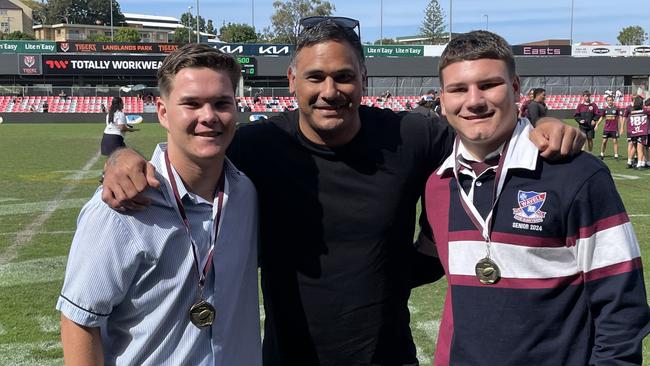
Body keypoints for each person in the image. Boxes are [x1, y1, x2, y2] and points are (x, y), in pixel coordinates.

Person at [100, 18, 583, 366]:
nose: (330, 90)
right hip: (288, 355)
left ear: (363, 80)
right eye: (315, 76)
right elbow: (188, 154)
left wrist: (540, 121)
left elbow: (481, 131)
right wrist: (120, 157)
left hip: (387, 353)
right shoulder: (257, 145)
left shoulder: (411, 136)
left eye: (344, 76)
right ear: (293, 81)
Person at [424, 30, 649, 366]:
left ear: (515, 89)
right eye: (458, 89)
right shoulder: (438, 184)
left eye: (488, 85)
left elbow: (621, 307)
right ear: (442, 100)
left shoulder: (576, 174)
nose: (473, 100)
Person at [57, 43, 262, 365]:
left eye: (222, 103)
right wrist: (119, 156)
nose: (208, 116)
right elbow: (79, 322)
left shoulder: (245, 193)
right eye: (191, 104)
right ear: (163, 112)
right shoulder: (120, 208)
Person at [623, 96, 649, 170]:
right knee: (640, 148)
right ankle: (640, 164)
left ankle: (629, 162)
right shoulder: (645, 111)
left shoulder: (631, 113)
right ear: (641, 105)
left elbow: (629, 123)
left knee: (635, 147)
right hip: (641, 132)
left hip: (633, 132)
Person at [595, 95, 623, 160]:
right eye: (608, 100)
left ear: (613, 100)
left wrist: (621, 127)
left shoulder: (616, 109)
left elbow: (620, 118)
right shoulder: (605, 109)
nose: (610, 101)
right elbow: (602, 117)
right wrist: (597, 125)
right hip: (606, 128)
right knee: (604, 141)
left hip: (614, 128)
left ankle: (616, 155)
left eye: (611, 100)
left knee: (615, 141)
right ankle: (602, 154)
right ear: (606, 101)